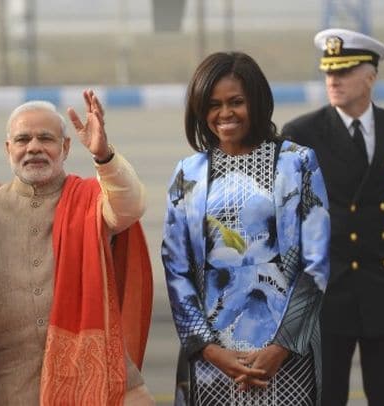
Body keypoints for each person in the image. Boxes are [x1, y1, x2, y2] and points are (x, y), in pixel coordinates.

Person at [0, 93, 155, 405]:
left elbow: (130, 206)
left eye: (45, 138)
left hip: (98, 386)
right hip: (12, 388)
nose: (33, 147)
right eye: (23, 139)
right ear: (9, 149)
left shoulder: (90, 200)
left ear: (65, 147)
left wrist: (103, 155)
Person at [162, 51, 330, 405]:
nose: (225, 114)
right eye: (213, 105)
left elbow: (316, 264)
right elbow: (176, 270)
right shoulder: (187, 173)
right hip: (212, 363)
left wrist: (280, 348)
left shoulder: (298, 163)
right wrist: (209, 350)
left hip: (287, 358)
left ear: (256, 100)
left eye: (236, 102)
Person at [282, 29, 384, 406]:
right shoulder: (301, 134)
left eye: (343, 72)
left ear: (370, 77)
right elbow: (293, 217)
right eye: (328, 72)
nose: (333, 80)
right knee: (324, 398)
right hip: (328, 292)